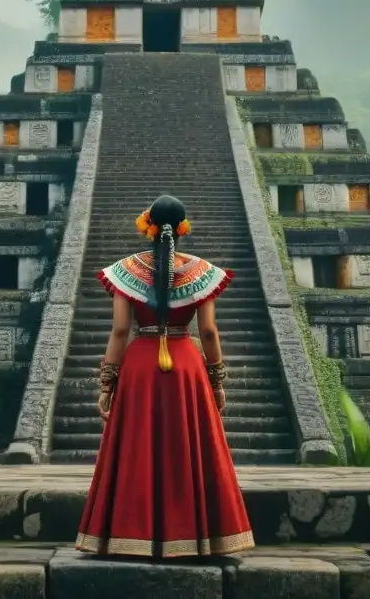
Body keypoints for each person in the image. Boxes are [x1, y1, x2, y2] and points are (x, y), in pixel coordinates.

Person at [74, 194, 255, 558]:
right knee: (187, 448)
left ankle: (130, 534)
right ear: (183, 227)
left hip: (140, 367)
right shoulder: (201, 272)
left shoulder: (125, 271)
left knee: (137, 449)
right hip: (186, 366)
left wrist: (107, 384)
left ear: (149, 226)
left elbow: (120, 331)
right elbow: (208, 333)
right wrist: (217, 380)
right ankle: (194, 537)